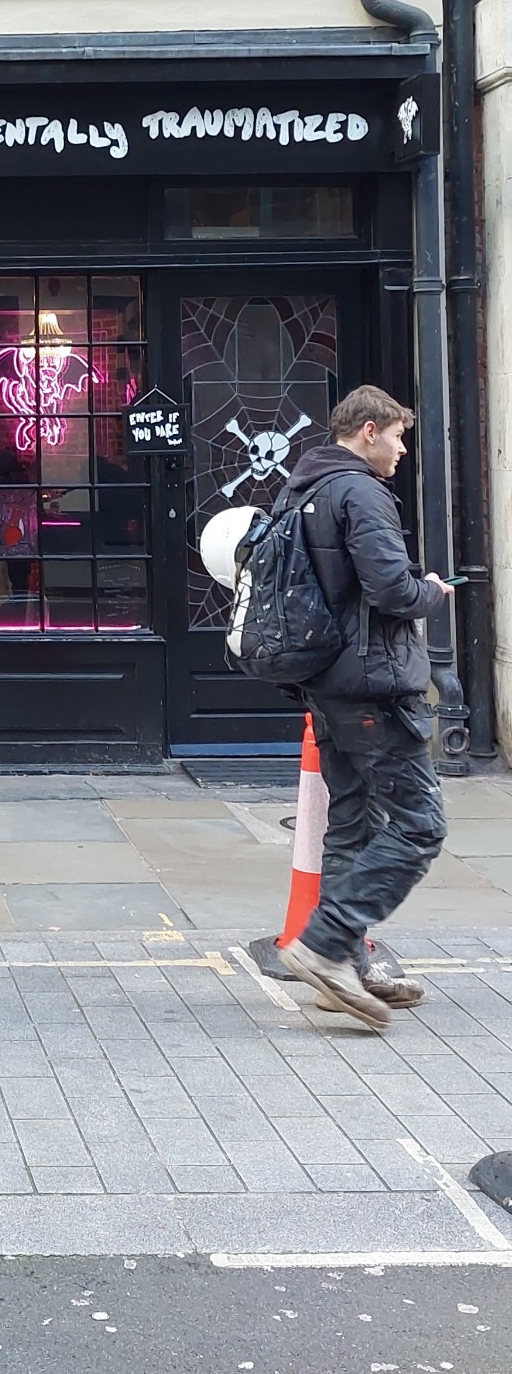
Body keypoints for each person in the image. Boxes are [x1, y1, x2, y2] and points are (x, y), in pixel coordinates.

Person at [275, 385, 454, 1030]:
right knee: (420, 825)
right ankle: (325, 945)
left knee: (352, 825)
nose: (403, 450)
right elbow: (392, 591)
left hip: (326, 682)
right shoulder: (361, 492)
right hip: (373, 684)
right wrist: (430, 591)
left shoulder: (301, 488)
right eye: (399, 437)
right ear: (370, 431)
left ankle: (342, 968)